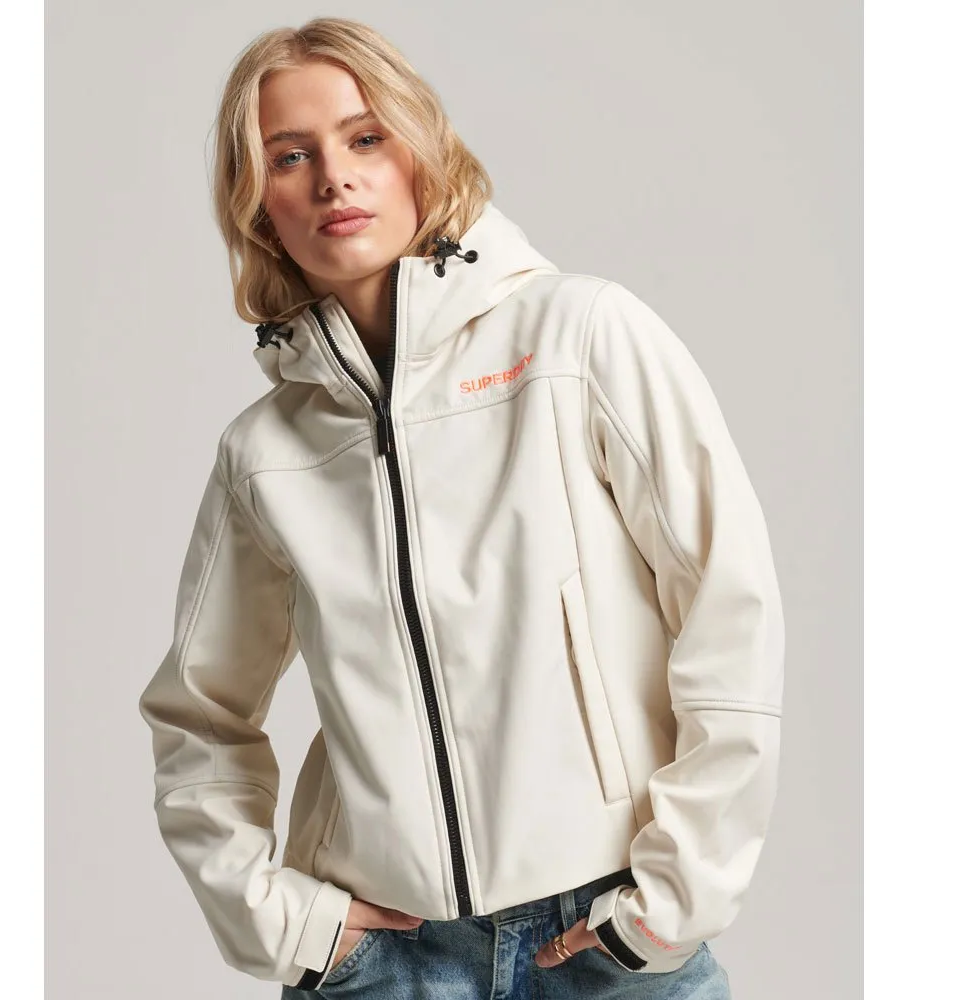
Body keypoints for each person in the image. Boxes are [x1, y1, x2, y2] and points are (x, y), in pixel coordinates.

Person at [137, 16, 784, 1000]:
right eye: (290, 156)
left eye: (364, 138)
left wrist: (677, 894)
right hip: (389, 960)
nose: (334, 179)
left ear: (419, 152)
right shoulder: (265, 454)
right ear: (258, 204)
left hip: (603, 937)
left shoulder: (577, 338)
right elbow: (199, 713)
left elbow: (728, 607)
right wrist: (281, 923)